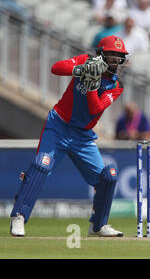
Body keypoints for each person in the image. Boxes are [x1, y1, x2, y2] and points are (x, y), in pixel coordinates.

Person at [10, 35, 129, 237]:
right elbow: (56, 68)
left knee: (107, 177)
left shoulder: (116, 86)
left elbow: (95, 108)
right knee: (41, 165)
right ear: (101, 54)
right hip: (59, 126)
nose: (116, 61)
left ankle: (98, 226)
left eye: (119, 57)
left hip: (83, 137)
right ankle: (19, 216)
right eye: (112, 56)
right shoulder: (85, 61)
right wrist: (81, 70)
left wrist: (92, 85)